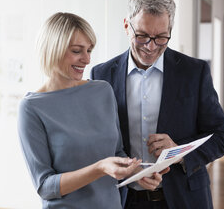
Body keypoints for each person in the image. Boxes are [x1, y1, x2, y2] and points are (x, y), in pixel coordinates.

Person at [91, 0, 224, 209]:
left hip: (184, 199)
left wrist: (179, 152)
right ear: (127, 26)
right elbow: (98, 141)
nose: (150, 46)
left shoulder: (194, 72)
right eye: (142, 36)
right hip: (124, 200)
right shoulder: (101, 75)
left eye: (160, 38)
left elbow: (223, 137)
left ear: (170, 31)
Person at [17, 12, 165, 209]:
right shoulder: (32, 108)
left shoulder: (102, 90)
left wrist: (137, 173)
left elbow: (117, 152)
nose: (86, 60)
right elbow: (45, 186)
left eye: (89, 50)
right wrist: (99, 168)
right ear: (53, 50)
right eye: (77, 51)